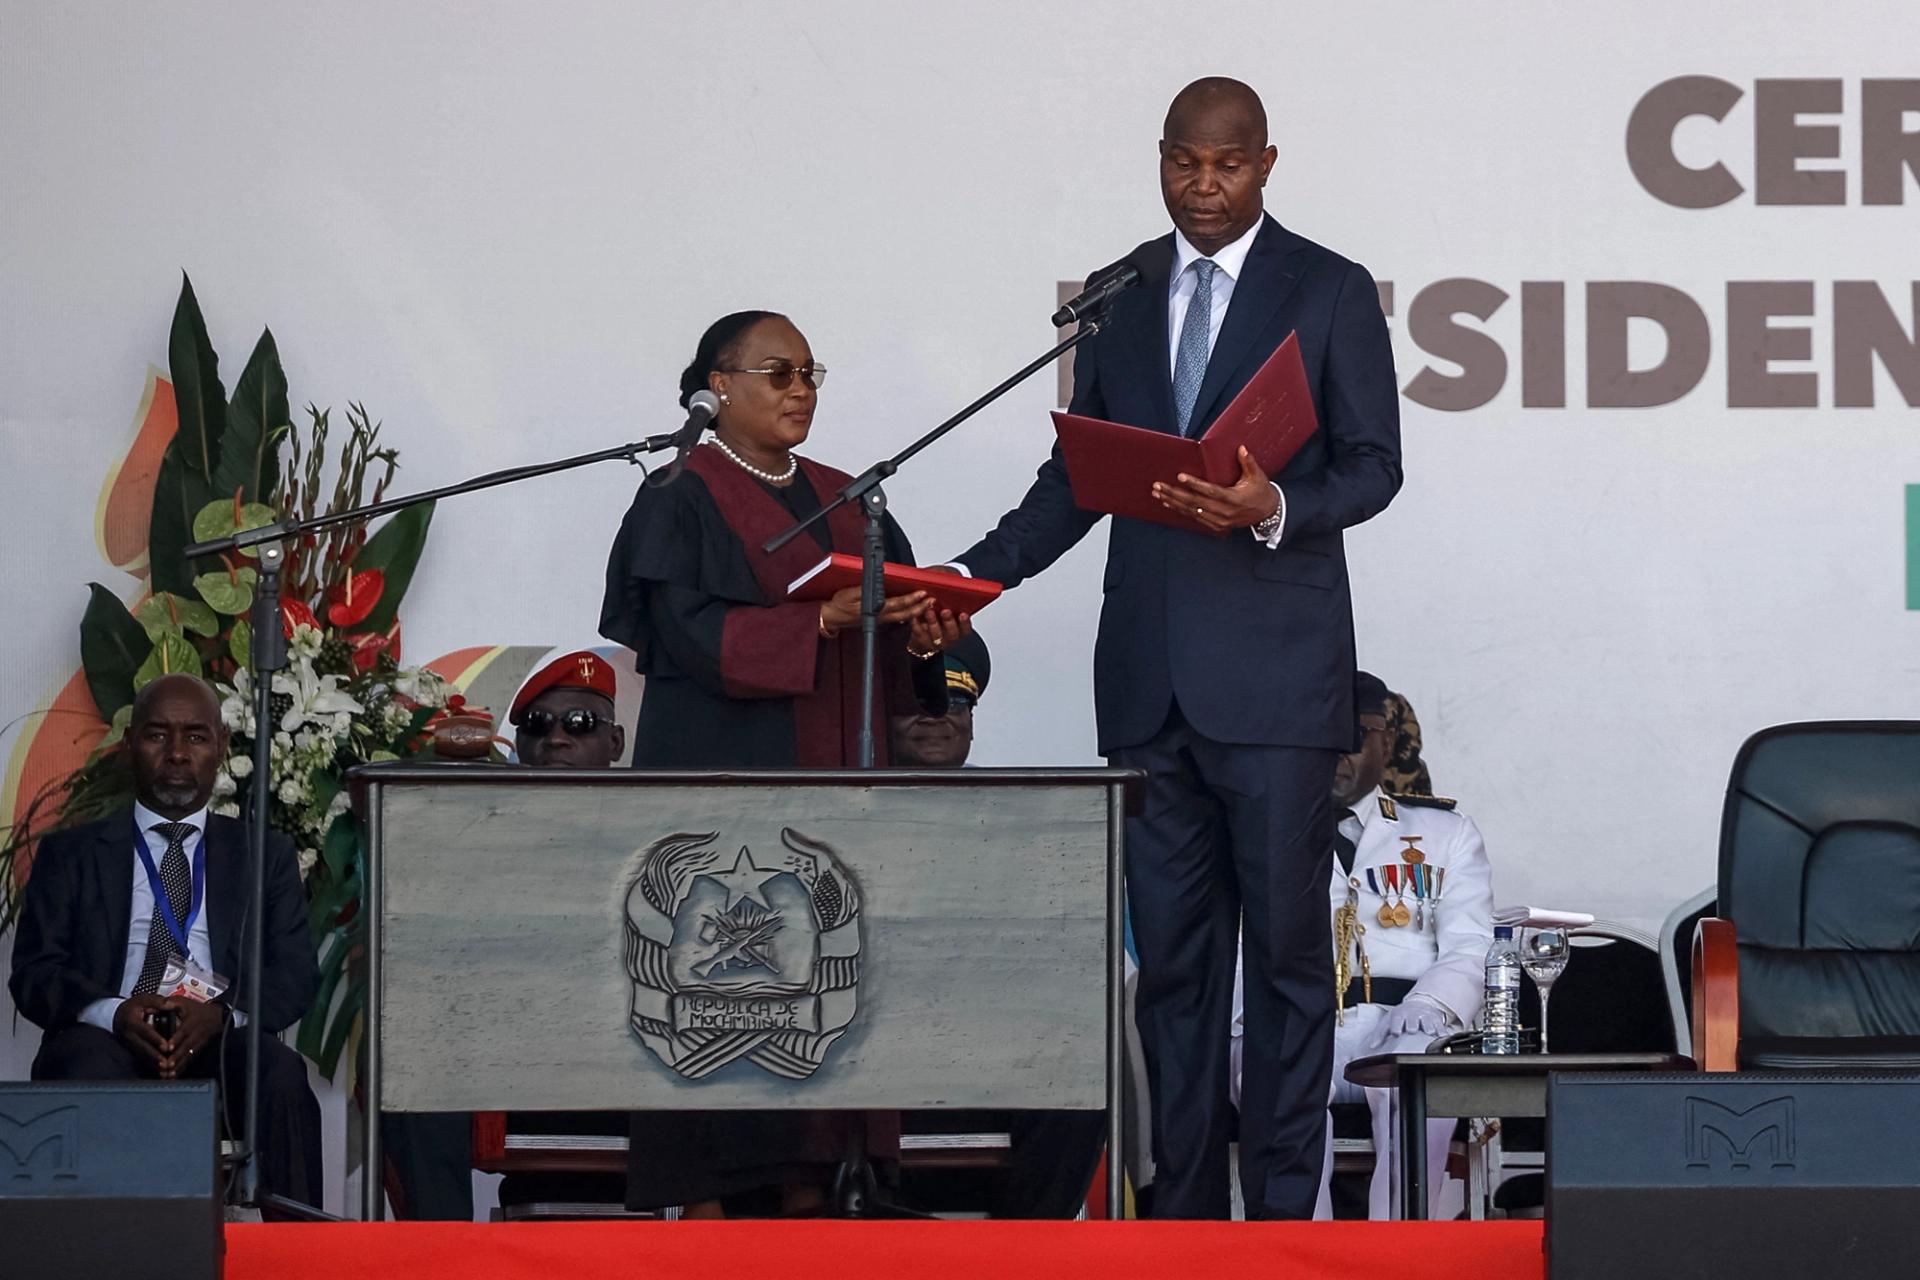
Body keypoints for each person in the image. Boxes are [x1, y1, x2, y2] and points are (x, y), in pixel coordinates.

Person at [948, 78, 1401, 1219]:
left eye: (1229, 164)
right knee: (1179, 976)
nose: (1205, 185)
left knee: (1288, 967)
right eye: (1185, 163)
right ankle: (1188, 1220)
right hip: (1150, 689)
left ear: (1267, 163)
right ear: (1160, 159)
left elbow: (1375, 463)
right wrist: (970, 581)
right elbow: (1075, 479)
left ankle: (1287, 1216)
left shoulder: (1330, 287)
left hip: (1279, 687)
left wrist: (1270, 505)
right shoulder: (1120, 292)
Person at [600, 310, 968, 1216]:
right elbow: (685, 636)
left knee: (828, 974)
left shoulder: (852, 498)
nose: (801, 388)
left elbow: (902, 659)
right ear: (717, 386)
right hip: (724, 788)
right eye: (779, 371)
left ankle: (833, 1182)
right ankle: (717, 1201)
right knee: (724, 976)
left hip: (839, 788)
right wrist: (817, 623)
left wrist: (925, 634)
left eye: (810, 372)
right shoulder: (678, 495)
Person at [8, 673, 323, 1204]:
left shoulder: (262, 854)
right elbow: (35, 973)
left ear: (221, 747)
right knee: (79, 1068)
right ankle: (97, 1257)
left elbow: (294, 974)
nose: (177, 753)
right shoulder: (71, 853)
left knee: (280, 1074)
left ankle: (300, 1256)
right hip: (107, 1038)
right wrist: (115, 1011)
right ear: (128, 745)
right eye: (157, 735)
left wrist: (221, 1013)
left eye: (196, 736)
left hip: (219, 1038)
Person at [1231, 672, 1494, 1218]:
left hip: (1403, 1022)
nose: (1333, 754)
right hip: (1289, 1019)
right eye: (1316, 736)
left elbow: (1471, 946)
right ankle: (1298, 1255)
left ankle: (1401, 1252)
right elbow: (1230, 942)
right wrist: (1249, 1021)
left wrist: (1429, 1005)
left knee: (1420, 1074)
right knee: (1273, 1072)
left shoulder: (1445, 832)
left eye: (1351, 737)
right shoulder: (1252, 830)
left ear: (1386, 743)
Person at [381, 650, 629, 1220]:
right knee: (407, 1056)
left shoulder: (658, 833)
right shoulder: (477, 834)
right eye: (538, 726)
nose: (557, 739)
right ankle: (442, 1256)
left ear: (614, 744)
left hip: (627, 1050)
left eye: (580, 724)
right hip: (510, 1051)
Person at [889, 630, 988, 767]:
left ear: (970, 723)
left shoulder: (1005, 788)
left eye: (952, 702)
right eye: (917, 702)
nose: (932, 719)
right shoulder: (855, 788)